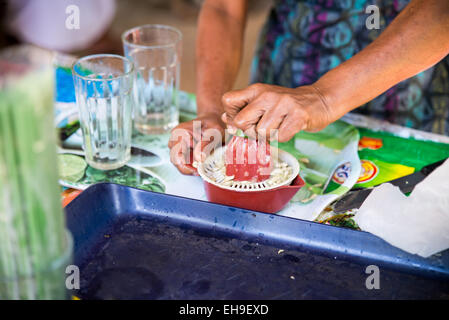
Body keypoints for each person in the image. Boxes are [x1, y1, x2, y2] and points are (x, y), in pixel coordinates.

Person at [169, 0, 449, 175]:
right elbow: (224, 8)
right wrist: (212, 111)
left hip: (410, 86)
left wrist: (323, 98)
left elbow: (441, 11)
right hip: (287, 78)